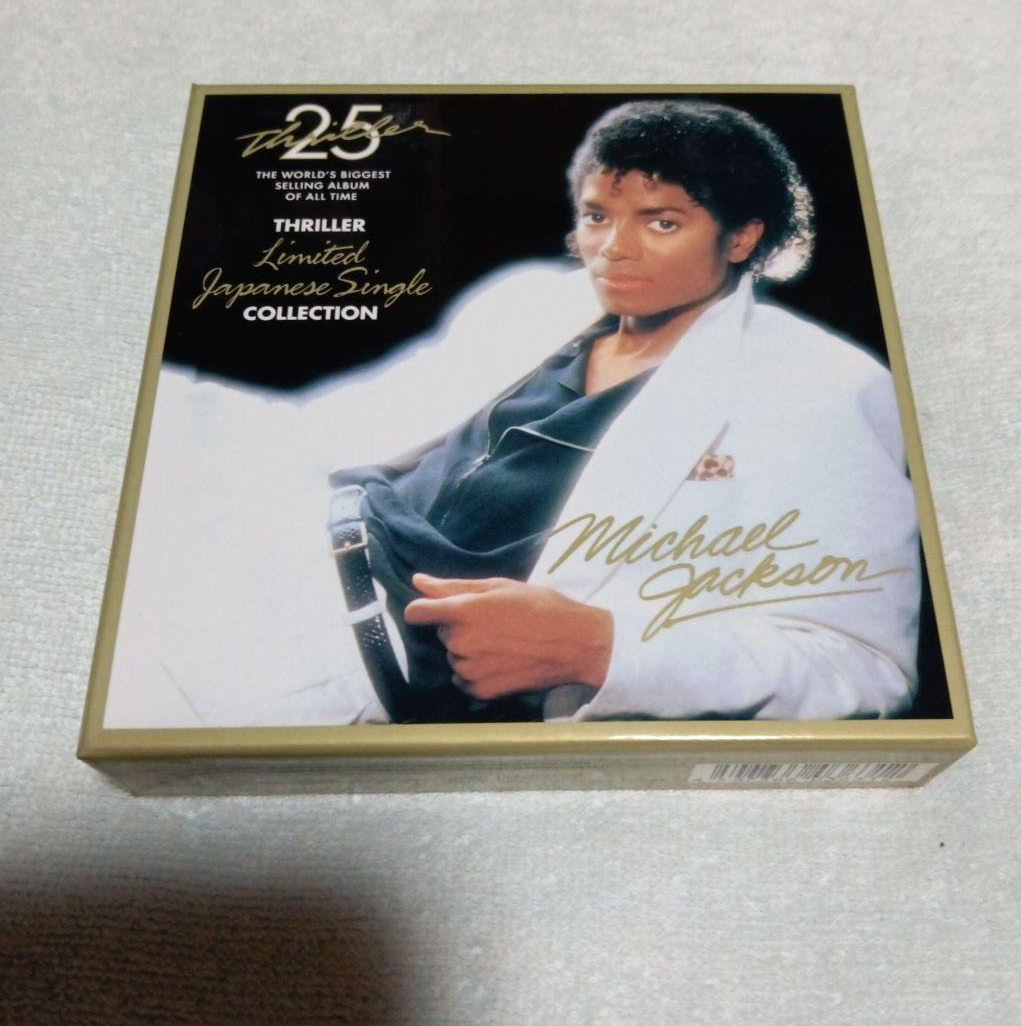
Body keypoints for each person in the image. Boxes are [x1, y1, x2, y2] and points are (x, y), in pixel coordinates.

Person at [327, 100, 921, 725]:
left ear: (742, 237)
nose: (613, 249)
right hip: (318, 552)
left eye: (661, 222)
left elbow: (864, 669)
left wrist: (602, 650)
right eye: (597, 217)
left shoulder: (823, 385)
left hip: (396, 675)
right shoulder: (531, 304)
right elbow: (351, 424)